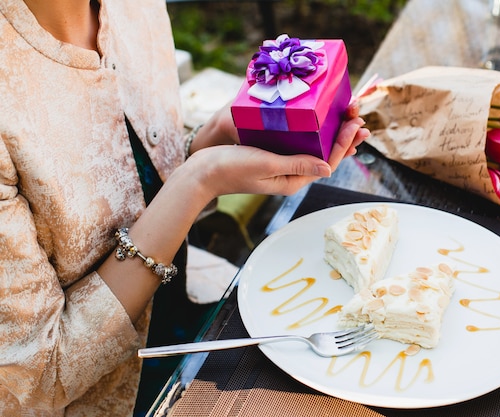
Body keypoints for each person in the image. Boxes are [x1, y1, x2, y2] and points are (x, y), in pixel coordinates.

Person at [0, 0, 370, 415]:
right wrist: (198, 180)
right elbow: (33, 381)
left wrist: (216, 136)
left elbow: (140, 183)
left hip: (201, 320)